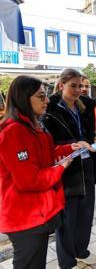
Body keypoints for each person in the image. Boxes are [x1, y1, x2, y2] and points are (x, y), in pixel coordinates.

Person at [0, 75, 85, 269]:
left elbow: (46, 156)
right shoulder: (13, 132)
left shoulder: (34, 126)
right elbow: (29, 180)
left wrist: (71, 148)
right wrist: (60, 168)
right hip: (25, 217)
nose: (47, 100)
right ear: (24, 98)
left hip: (39, 213)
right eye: (41, 96)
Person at [42, 69, 96, 269]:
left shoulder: (85, 107)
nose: (77, 90)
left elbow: (89, 135)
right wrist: (77, 144)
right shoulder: (50, 111)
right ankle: (67, 262)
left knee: (86, 215)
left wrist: (95, 140)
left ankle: (81, 251)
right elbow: (49, 145)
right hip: (66, 171)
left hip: (87, 166)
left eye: (80, 85)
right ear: (61, 86)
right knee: (67, 221)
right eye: (73, 86)